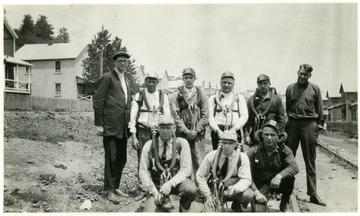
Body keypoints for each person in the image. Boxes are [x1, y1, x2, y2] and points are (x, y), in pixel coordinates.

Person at [93, 50, 132, 203]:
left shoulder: (126, 79)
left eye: (125, 61)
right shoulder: (107, 78)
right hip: (110, 125)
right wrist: (100, 125)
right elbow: (98, 101)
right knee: (111, 158)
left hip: (123, 126)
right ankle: (108, 190)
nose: (123, 63)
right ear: (115, 62)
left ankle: (115, 186)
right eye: (120, 61)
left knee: (122, 158)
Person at [285, 64, 326, 206]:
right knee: (287, 158)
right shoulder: (290, 88)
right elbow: (288, 108)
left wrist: (318, 125)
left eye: (306, 75)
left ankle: (313, 194)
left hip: (309, 125)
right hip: (293, 125)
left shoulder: (315, 89)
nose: (302, 76)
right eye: (301, 73)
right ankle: (285, 191)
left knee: (310, 161)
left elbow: (320, 109)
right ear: (297, 72)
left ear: (309, 76)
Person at [139, 115, 197, 212]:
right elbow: (143, 172)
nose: (165, 131)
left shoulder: (182, 144)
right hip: (156, 184)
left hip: (175, 182)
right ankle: (160, 202)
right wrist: (154, 192)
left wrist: (170, 184)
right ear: (158, 128)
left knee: (190, 189)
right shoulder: (149, 145)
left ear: (174, 128)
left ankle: (184, 209)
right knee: (149, 212)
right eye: (162, 128)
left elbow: (186, 169)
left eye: (168, 128)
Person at [128, 71, 171, 199]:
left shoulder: (163, 96)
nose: (151, 84)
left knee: (160, 160)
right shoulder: (139, 95)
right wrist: (133, 136)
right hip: (143, 131)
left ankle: (159, 188)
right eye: (149, 81)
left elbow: (168, 116)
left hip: (158, 133)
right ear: (145, 81)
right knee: (142, 160)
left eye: (154, 82)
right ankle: (143, 190)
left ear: (157, 82)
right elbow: (133, 116)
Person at [247, 120, 299, 212]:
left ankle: (284, 201)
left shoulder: (284, 150)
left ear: (278, 136)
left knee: (289, 179)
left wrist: (279, 176)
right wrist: (256, 192)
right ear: (262, 135)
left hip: (278, 184)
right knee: (257, 211)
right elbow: (247, 175)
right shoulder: (254, 151)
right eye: (266, 134)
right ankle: (260, 202)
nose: (269, 138)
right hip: (261, 184)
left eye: (273, 135)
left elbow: (294, 167)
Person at [196, 130, 254, 212]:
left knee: (248, 194)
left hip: (234, 190)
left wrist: (235, 188)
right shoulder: (212, 156)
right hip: (216, 191)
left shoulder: (242, 157)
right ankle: (216, 205)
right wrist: (207, 195)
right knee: (210, 211)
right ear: (220, 143)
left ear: (235, 144)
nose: (226, 146)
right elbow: (200, 175)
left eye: (230, 143)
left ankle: (236, 203)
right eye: (224, 143)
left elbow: (247, 179)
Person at [171, 68, 209, 176]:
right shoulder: (176, 95)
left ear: (194, 78)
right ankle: (184, 185)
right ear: (182, 78)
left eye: (191, 78)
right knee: (183, 159)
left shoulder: (201, 94)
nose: (188, 80)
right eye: (186, 77)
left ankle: (200, 185)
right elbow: (175, 115)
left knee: (199, 159)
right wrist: (186, 131)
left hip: (198, 134)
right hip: (182, 133)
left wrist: (195, 131)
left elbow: (205, 115)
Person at [209, 71, 248, 150]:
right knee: (218, 157)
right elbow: (210, 117)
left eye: (229, 83)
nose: (226, 85)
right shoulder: (213, 98)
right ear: (220, 83)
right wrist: (218, 131)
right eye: (224, 82)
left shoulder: (239, 98)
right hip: (218, 132)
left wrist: (234, 129)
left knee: (235, 157)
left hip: (234, 131)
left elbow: (245, 115)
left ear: (233, 84)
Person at [244, 74, 285, 147]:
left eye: (265, 83)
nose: (263, 86)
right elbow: (246, 119)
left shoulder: (276, 99)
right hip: (256, 132)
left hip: (271, 132)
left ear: (269, 84)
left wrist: (280, 133)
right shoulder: (252, 100)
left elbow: (281, 118)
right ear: (257, 85)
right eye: (260, 84)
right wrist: (246, 135)